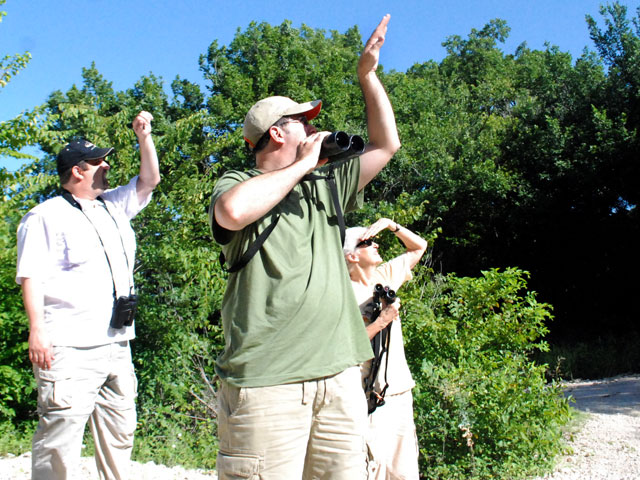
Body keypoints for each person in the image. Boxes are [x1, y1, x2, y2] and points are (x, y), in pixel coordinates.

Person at [208, 14, 401, 480]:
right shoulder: (238, 182)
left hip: (339, 379)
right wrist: (305, 164)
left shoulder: (326, 187)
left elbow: (385, 144)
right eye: (301, 122)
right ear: (277, 133)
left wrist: (368, 77)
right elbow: (231, 213)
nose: (314, 129)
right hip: (267, 384)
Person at [16, 111, 160, 480]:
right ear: (77, 171)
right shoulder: (44, 216)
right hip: (69, 346)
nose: (107, 165)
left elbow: (149, 181)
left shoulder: (115, 206)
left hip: (117, 343)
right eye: (98, 161)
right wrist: (37, 330)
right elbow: (30, 275)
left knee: (120, 431)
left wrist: (145, 137)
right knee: (60, 436)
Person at [343, 218, 427, 480]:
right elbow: (345, 347)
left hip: (398, 389)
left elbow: (418, 248)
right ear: (352, 256)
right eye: (367, 242)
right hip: (364, 395)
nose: (376, 243)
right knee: (371, 469)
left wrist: (392, 225)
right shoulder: (341, 294)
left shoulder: (383, 277)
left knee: (403, 471)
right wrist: (381, 322)